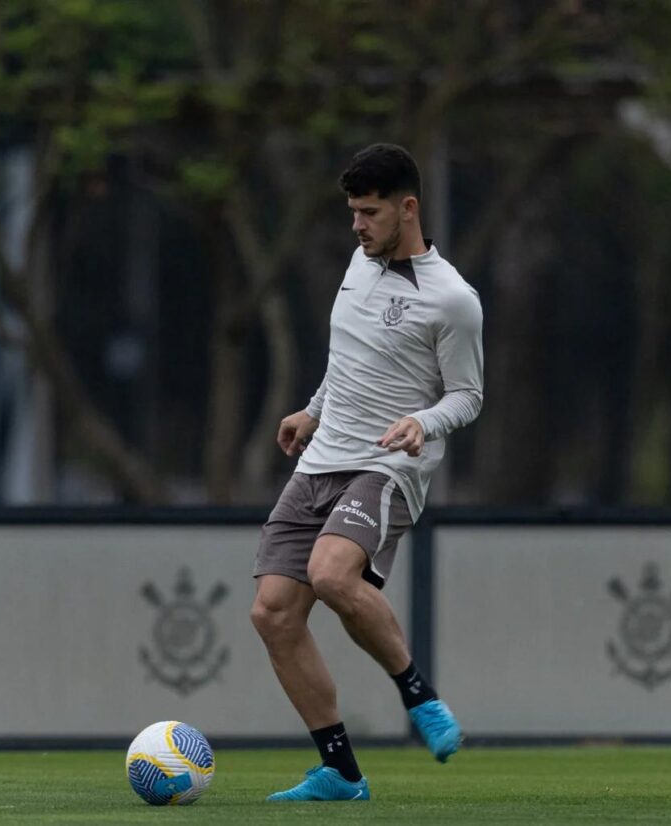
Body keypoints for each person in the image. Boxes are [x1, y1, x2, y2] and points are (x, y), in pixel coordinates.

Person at [251, 143, 484, 802]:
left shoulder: (453, 301)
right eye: (353, 211)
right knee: (272, 614)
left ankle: (420, 697)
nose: (357, 225)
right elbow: (351, 359)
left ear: (408, 208)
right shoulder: (358, 262)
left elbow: (468, 395)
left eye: (369, 212)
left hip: (387, 465)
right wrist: (312, 411)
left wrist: (424, 423)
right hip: (323, 459)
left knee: (330, 574)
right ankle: (341, 773)